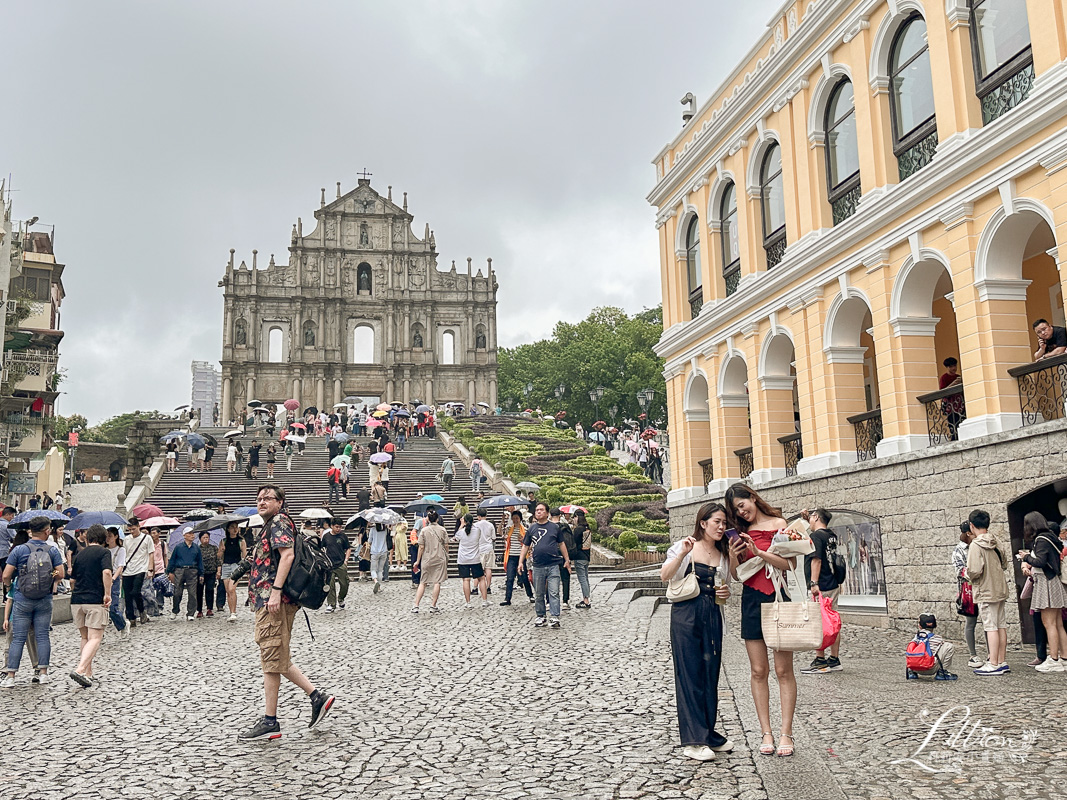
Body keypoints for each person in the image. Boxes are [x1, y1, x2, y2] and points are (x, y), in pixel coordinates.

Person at [238, 484, 334, 740]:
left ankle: (271, 721)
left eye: (268, 498)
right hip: (269, 600)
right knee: (275, 656)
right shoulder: (270, 526)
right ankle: (317, 697)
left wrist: (276, 591)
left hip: (274, 601)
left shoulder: (279, 520)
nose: (261, 502)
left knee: (272, 657)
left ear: (280, 502)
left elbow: (288, 555)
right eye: (258, 498)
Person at [725, 483, 796, 758]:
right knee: (758, 670)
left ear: (753, 497)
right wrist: (733, 556)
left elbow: (789, 565)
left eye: (743, 505)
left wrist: (760, 550)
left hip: (778, 598)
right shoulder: (740, 534)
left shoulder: (779, 524)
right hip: (752, 601)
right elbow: (736, 576)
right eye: (736, 511)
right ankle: (765, 731)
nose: (742, 513)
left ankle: (785, 733)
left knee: (783, 671)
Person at [660, 502, 734, 761]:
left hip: (712, 615)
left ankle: (708, 732)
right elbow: (665, 575)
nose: (722, 527)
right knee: (690, 673)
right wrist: (682, 554)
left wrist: (725, 592)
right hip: (687, 616)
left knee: (710, 673)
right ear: (703, 523)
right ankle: (693, 739)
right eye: (717, 522)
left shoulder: (722, 553)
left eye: (724, 523)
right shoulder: (686, 546)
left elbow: (727, 583)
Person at [1, 517, 65, 687]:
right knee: (42, 636)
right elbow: (61, 574)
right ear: (46, 531)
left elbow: (6, 575)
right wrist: (49, 577)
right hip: (44, 598)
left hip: (22, 598)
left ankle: (11, 676)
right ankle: (43, 673)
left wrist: (10, 587)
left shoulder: (19, 550)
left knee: (18, 638)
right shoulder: (52, 551)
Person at [1020, 511, 1067, 672]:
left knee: (1049, 623)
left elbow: (1040, 561)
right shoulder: (1051, 537)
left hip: (1046, 582)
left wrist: (1025, 557)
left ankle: (1054, 659)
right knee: (1058, 623)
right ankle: (1064, 657)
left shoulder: (1041, 540)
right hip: (1053, 581)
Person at [966, 509, 1010, 676]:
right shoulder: (996, 540)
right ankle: (1001, 660)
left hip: (985, 588)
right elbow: (1004, 562)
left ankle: (993, 663)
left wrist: (967, 574)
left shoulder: (976, 545)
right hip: (999, 587)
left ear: (972, 525)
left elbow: (974, 570)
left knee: (990, 626)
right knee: (1001, 625)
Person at [68, 524, 113, 687]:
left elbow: (72, 580)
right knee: (95, 638)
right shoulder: (104, 553)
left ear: (88, 538)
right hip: (95, 600)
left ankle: (88, 672)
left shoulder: (80, 555)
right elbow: (107, 572)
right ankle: (80, 669)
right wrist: (107, 594)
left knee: (85, 637)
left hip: (77, 600)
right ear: (104, 538)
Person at [800, 508, 843, 674]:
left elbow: (816, 560)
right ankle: (834, 658)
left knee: (819, 622)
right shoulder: (830, 535)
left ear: (816, 517)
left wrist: (813, 583)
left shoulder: (816, 536)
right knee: (833, 621)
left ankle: (820, 660)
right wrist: (806, 519)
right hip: (832, 583)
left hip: (821, 586)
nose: (809, 520)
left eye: (811, 517)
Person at [519, 502, 571, 628]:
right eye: (537, 510)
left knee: (554, 591)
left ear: (547, 513)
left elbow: (561, 544)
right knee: (539, 592)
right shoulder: (532, 528)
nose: (538, 512)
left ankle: (554, 616)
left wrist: (567, 560)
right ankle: (541, 616)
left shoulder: (554, 528)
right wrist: (520, 562)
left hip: (553, 564)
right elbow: (526, 545)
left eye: (541, 510)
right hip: (538, 565)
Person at [952, 523, 984, 669]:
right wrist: (974, 572)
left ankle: (992, 654)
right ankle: (973, 654)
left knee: (987, 622)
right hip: (969, 590)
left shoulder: (978, 545)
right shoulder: (959, 550)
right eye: (971, 533)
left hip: (983, 587)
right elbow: (960, 570)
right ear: (966, 533)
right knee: (971, 623)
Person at [413, 510, 448, 613]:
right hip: (439, 557)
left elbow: (421, 547)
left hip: (427, 559)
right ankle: (433, 605)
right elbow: (446, 545)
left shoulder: (424, 531)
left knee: (423, 582)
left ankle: (416, 605)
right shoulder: (442, 530)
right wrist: (447, 554)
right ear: (437, 519)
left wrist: (417, 561)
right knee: (437, 582)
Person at [167, 526, 203, 622]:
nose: (192, 535)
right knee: (177, 592)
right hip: (179, 570)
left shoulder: (196, 548)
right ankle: (175, 610)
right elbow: (173, 560)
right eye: (190, 533)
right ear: (184, 535)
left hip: (192, 571)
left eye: (193, 533)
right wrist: (169, 571)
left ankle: (190, 613)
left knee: (192, 593)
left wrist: (201, 573)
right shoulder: (178, 547)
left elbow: (200, 561)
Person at [906, 613, 957, 680]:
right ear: (935, 625)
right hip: (929, 668)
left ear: (919, 626)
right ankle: (942, 673)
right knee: (949, 646)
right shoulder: (937, 638)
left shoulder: (916, 638)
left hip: (914, 668)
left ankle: (911, 673)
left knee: (912, 648)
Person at [454, 514, 487, 609]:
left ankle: (468, 602)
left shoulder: (461, 532)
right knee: (481, 578)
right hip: (475, 558)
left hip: (463, 559)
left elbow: (456, 537)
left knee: (466, 580)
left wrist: (461, 525)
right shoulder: (477, 530)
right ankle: (484, 600)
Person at [500, 510, 533, 605]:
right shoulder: (509, 529)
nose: (515, 520)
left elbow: (529, 545)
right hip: (511, 556)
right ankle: (507, 598)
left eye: (517, 518)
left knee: (524, 577)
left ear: (520, 519)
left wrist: (522, 540)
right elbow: (500, 532)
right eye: (513, 518)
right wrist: (502, 521)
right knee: (510, 578)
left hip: (521, 557)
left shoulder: (525, 530)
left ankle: (530, 595)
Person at [103, 527, 129, 640]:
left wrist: (113, 578)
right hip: (103, 578)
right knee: (101, 607)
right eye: (106, 536)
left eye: (110, 536)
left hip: (114, 578)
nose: (108, 538)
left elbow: (120, 566)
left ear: (116, 536)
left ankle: (122, 625)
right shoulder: (104, 550)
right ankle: (100, 631)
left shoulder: (120, 550)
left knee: (113, 607)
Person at [322, 518, 351, 613]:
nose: (338, 529)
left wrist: (346, 560)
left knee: (345, 584)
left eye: (340, 527)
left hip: (340, 563)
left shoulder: (343, 536)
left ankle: (341, 598)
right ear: (332, 526)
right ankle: (331, 604)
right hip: (330, 565)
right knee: (330, 585)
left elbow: (348, 548)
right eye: (336, 527)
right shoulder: (326, 536)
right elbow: (322, 548)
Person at [220, 521, 246, 622]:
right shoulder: (223, 541)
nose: (235, 529)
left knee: (232, 589)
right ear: (228, 529)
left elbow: (244, 556)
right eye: (232, 527)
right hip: (226, 566)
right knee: (228, 591)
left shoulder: (241, 541)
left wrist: (244, 569)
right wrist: (221, 550)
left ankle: (234, 612)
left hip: (236, 566)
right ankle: (231, 612)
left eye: (236, 527)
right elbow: (219, 556)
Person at [551, 508, 574, 610]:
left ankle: (549, 601)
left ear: (550, 515)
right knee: (565, 578)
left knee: (551, 579)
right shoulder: (565, 526)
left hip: (552, 555)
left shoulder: (549, 527)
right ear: (560, 515)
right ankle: (565, 601)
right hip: (564, 555)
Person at [570, 510, 593, 609]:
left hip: (579, 556)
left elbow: (573, 542)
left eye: (574, 517)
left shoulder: (578, 529)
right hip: (586, 556)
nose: (573, 519)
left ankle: (586, 600)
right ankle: (586, 597)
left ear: (577, 517)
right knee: (586, 578)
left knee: (582, 578)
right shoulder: (587, 528)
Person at [196, 531, 221, 619]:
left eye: (207, 538)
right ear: (200, 539)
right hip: (201, 573)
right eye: (204, 538)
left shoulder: (214, 548)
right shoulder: (197, 549)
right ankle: (199, 610)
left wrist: (218, 571)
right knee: (199, 591)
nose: (206, 540)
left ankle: (209, 608)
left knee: (210, 590)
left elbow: (218, 560)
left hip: (211, 572)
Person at [474, 508, 496, 596]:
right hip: (489, 548)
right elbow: (493, 538)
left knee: (478, 569)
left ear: (478, 516)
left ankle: (475, 587)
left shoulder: (475, 525)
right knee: (488, 568)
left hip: (479, 548)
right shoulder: (490, 525)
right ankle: (488, 587)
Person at [368, 522, 390, 594]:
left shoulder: (373, 529)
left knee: (373, 569)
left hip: (374, 551)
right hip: (384, 551)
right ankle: (379, 587)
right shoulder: (386, 530)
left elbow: (369, 541)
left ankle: (375, 581)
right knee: (380, 570)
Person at [0, 506, 16, 575]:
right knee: (5, 573)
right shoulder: (8, 525)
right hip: (3, 551)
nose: (12, 518)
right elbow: (15, 536)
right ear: (7, 514)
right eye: (12, 516)